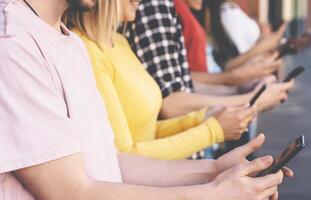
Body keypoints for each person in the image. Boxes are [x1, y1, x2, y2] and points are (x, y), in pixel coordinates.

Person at [0, 0, 292, 199]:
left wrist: (214, 171)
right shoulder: (13, 41)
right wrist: (214, 193)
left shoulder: (69, 42)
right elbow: (70, 192)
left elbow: (111, 162)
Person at [66, 0, 256, 160]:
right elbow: (125, 156)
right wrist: (212, 130)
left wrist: (202, 118)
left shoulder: (119, 41)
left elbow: (148, 131)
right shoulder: (86, 49)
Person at [125, 0, 295, 118]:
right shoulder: (157, 6)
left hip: (197, 131)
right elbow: (172, 101)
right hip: (183, 142)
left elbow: (183, 83)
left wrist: (240, 88)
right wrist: (251, 100)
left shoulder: (174, 7)